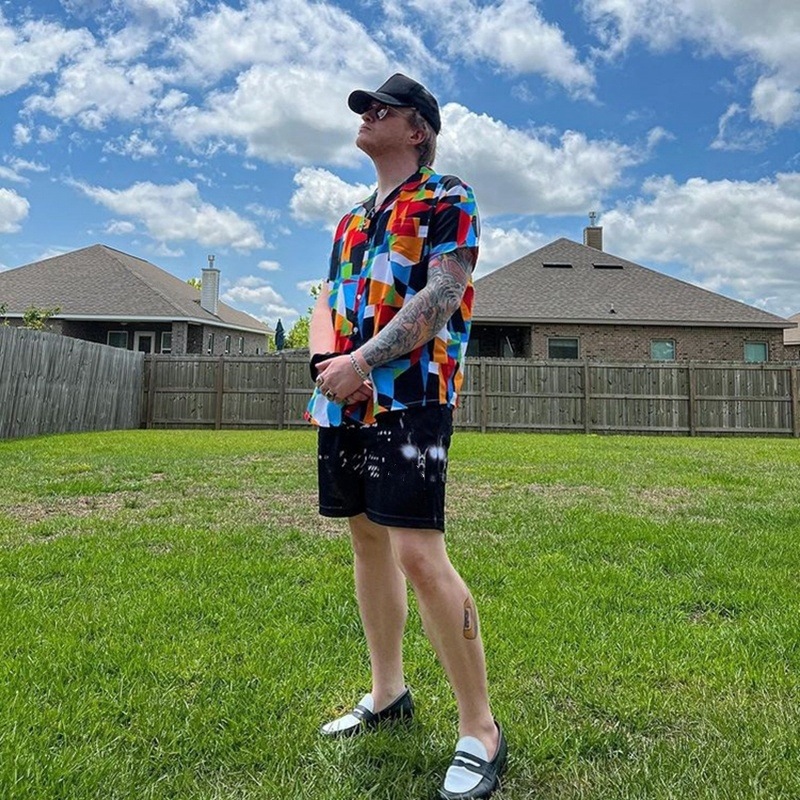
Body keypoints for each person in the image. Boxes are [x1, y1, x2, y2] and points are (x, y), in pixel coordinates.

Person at [306, 73, 507, 800]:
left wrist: (363, 362)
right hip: (344, 398)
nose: (366, 116)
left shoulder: (448, 196)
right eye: (363, 108)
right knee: (366, 539)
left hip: (413, 397)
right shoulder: (350, 221)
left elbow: (443, 293)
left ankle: (481, 728)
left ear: (418, 129)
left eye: (381, 108)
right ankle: (387, 694)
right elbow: (327, 302)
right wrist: (329, 367)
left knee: (418, 554)